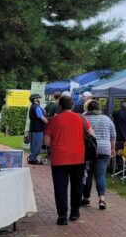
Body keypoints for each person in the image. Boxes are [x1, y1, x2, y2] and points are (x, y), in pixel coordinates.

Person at [44, 94, 95, 225]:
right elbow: (92, 135)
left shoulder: (53, 120)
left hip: (59, 158)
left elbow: (46, 142)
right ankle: (75, 212)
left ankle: (62, 216)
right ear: (72, 105)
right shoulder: (82, 118)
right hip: (78, 157)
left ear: (60, 106)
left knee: (60, 187)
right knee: (77, 185)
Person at [81, 100, 114, 210]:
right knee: (100, 175)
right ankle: (102, 199)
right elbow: (113, 135)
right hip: (104, 149)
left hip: (89, 150)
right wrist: (113, 148)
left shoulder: (84, 119)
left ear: (88, 108)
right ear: (99, 108)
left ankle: (86, 198)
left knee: (88, 174)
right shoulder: (107, 119)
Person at [26, 93, 48, 164]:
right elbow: (41, 117)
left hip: (33, 128)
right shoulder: (37, 107)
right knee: (37, 145)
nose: (40, 99)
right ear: (35, 99)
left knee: (33, 145)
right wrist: (47, 122)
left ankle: (32, 158)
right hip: (38, 129)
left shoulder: (32, 106)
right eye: (39, 98)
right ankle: (32, 159)